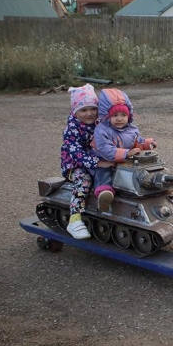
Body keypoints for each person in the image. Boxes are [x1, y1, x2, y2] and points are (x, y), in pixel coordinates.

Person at [60, 84, 114, 239]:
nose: (89, 113)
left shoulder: (101, 122)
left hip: (99, 157)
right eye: (83, 110)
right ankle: (74, 219)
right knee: (83, 181)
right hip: (76, 164)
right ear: (75, 111)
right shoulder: (72, 129)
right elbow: (76, 153)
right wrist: (98, 162)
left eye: (93, 109)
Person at [92, 88, 156, 211]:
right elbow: (104, 148)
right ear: (107, 117)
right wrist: (126, 153)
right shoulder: (102, 130)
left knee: (145, 168)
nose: (119, 119)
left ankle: (160, 183)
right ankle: (104, 194)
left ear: (129, 116)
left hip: (125, 160)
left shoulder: (131, 129)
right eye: (115, 115)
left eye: (123, 115)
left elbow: (137, 142)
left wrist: (147, 143)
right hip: (105, 160)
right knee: (104, 173)